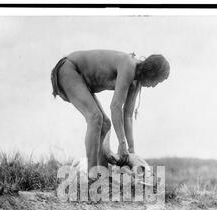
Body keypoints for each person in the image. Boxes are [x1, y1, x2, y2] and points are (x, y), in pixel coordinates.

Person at [51, 50, 170, 179]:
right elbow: (115, 107)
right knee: (95, 118)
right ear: (151, 73)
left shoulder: (136, 82)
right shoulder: (129, 65)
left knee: (105, 125)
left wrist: (131, 151)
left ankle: (103, 175)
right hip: (69, 69)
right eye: (157, 81)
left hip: (81, 79)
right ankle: (92, 175)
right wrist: (122, 144)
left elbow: (128, 115)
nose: (154, 86)